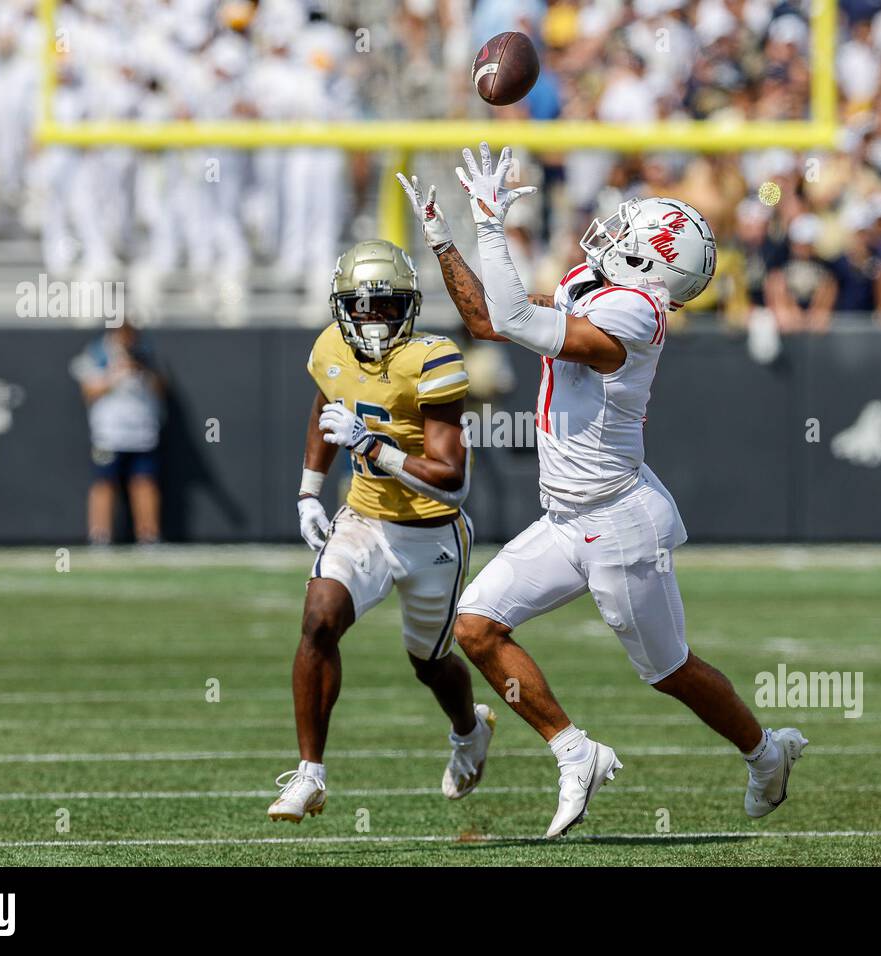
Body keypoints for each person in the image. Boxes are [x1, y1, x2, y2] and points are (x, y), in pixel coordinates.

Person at [398, 145, 807, 839]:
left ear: (653, 261)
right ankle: (573, 750)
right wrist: (444, 237)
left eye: (630, 235)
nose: (612, 236)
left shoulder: (638, 314)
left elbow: (522, 324)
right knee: (475, 626)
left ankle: (766, 752)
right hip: (565, 515)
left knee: (669, 670)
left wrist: (492, 228)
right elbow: (489, 320)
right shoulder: (598, 283)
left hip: (618, 520)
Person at [267, 239, 493, 823]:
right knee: (319, 618)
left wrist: (374, 447)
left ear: (410, 307)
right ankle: (310, 774)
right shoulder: (328, 346)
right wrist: (309, 491)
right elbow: (325, 406)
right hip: (364, 519)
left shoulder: (434, 358)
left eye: (387, 306)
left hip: (432, 534)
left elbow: (452, 481)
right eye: (361, 307)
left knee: (429, 662)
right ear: (341, 307)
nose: (373, 320)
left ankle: (469, 730)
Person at [69, 323, 166, 545]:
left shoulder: (146, 353)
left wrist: (142, 371)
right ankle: (100, 535)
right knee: (104, 482)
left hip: (143, 432)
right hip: (109, 433)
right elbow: (89, 391)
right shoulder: (98, 353)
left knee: (144, 482)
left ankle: (149, 535)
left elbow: (162, 388)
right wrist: (115, 376)